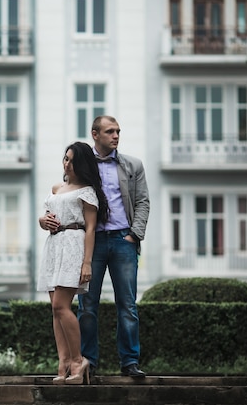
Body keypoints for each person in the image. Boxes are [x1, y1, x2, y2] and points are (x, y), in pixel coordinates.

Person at [77, 115, 150, 379]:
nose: (116, 135)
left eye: (118, 131)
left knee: (128, 305)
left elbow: (143, 202)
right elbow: (68, 195)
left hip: (123, 241)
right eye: (110, 131)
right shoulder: (82, 165)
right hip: (91, 243)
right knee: (87, 306)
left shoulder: (133, 165)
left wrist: (134, 235)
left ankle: (130, 362)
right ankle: (88, 362)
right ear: (95, 134)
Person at [37, 141, 109, 385]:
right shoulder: (57, 188)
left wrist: (87, 263)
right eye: (65, 158)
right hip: (54, 246)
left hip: (73, 246)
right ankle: (64, 362)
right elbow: (46, 215)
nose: (66, 163)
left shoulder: (87, 191)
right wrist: (42, 221)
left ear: (82, 164)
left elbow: (90, 229)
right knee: (55, 310)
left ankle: (78, 361)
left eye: (71, 160)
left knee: (61, 306)